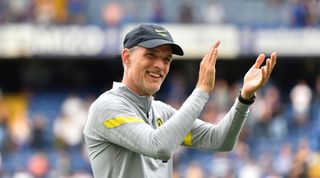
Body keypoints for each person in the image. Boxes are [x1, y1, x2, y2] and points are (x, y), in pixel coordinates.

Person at [83, 23, 277, 178]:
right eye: (150, 55)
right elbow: (158, 146)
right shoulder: (106, 107)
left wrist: (244, 99)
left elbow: (220, 140)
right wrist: (201, 91)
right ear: (127, 57)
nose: (159, 65)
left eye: (166, 59)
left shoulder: (161, 111)